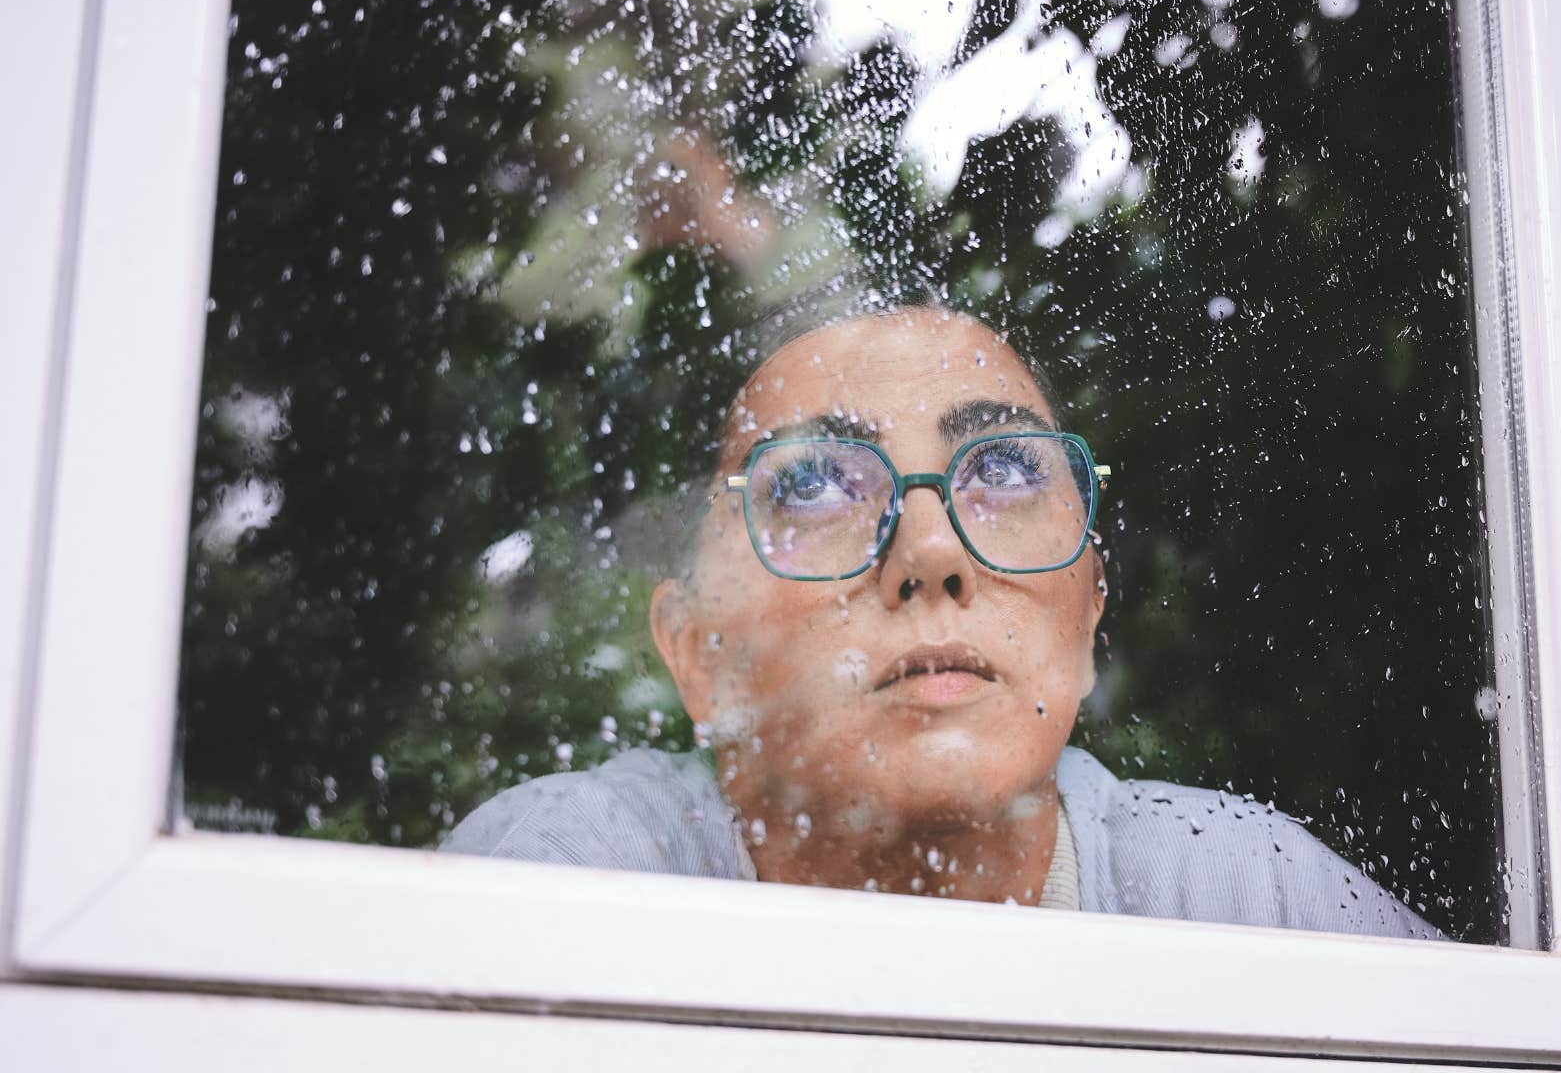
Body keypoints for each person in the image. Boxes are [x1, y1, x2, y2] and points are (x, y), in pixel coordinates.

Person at [444, 293, 1440, 940]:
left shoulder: (1254, 907)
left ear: (1089, 608)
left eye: (1004, 468)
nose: (932, 552)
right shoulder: (567, 896)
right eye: (816, 484)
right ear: (701, 650)